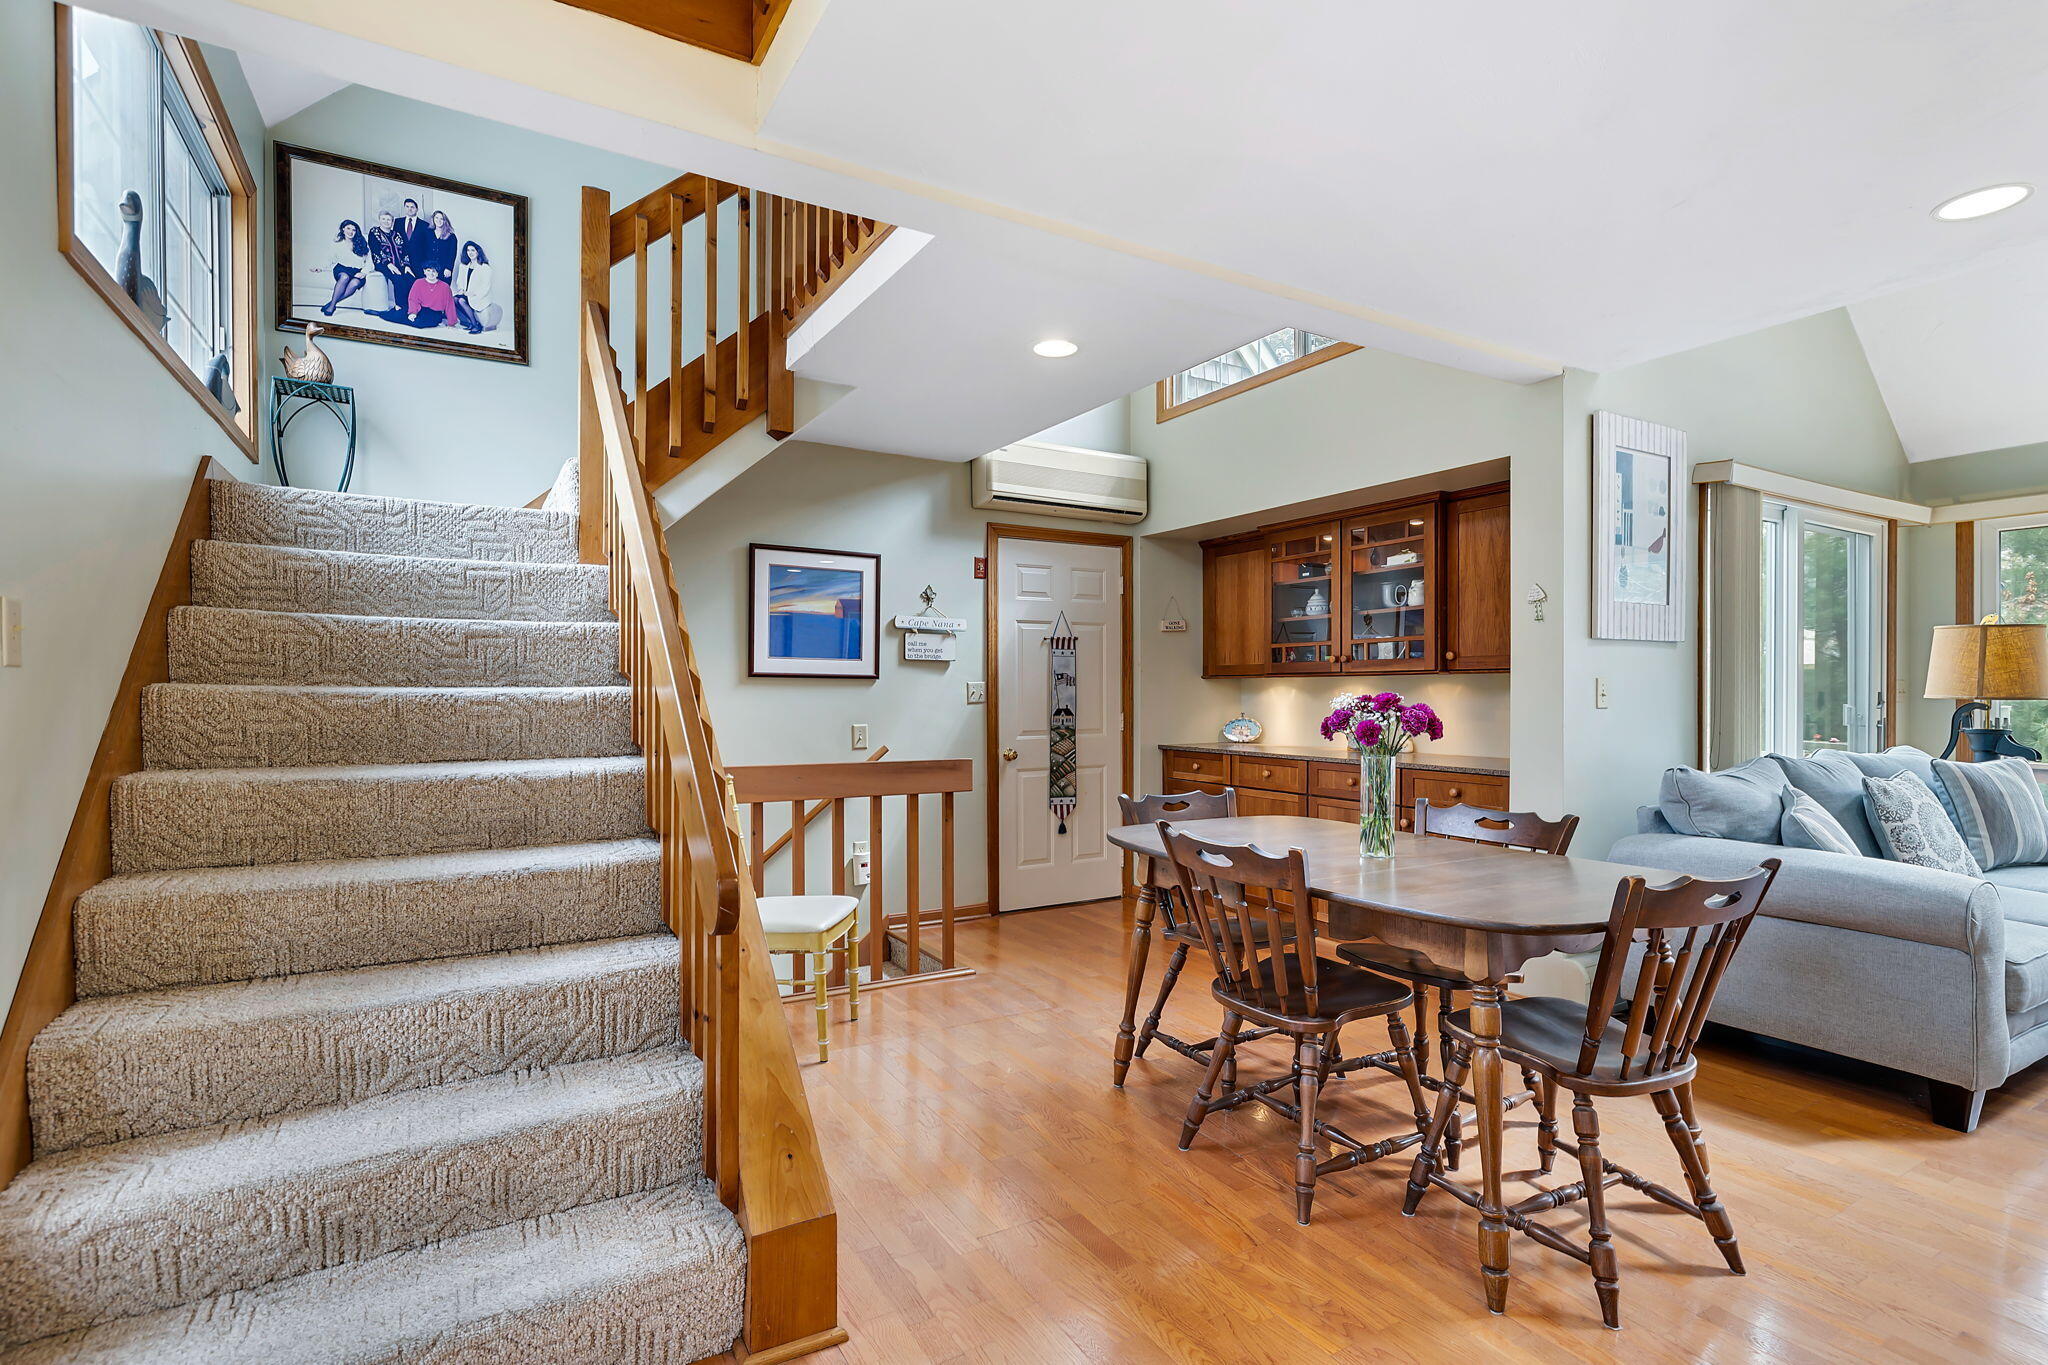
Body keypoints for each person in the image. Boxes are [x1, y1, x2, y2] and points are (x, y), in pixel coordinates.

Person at [314, 219, 368, 315]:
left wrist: (364, 272)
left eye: (353, 230)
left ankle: (332, 303)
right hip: (342, 269)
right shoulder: (337, 244)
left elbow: (369, 261)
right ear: (343, 229)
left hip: (357, 271)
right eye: (348, 228)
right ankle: (331, 307)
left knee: (355, 283)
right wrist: (320, 268)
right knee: (344, 277)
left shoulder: (362, 243)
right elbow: (329, 259)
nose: (350, 232)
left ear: (356, 232)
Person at [381, 265, 459, 329]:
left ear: (438, 273)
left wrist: (451, 323)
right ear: (424, 271)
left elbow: (450, 304)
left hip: (434, 313)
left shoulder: (444, 286)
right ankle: (386, 313)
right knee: (398, 315)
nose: (431, 273)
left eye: (434, 271)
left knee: (418, 323)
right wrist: (413, 313)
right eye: (428, 270)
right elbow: (413, 299)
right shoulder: (418, 282)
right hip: (420, 309)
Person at [366, 210, 411, 315]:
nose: (386, 222)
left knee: (410, 279)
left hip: (399, 264)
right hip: (382, 263)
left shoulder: (397, 234)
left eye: (389, 220)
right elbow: (375, 249)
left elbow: (405, 251)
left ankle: (409, 307)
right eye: (384, 219)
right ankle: (399, 308)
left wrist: (406, 266)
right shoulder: (374, 232)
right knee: (398, 279)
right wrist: (388, 264)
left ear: (392, 221)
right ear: (380, 220)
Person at [452, 241, 493, 334]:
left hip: (478, 295)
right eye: (468, 250)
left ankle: (475, 325)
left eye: (473, 250)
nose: (470, 253)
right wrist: (462, 289)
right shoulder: (463, 265)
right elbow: (460, 281)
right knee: (454, 299)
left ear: (478, 252)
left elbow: (486, 286)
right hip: (465, 293)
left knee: (461, 301)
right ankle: (470, 322)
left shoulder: (485, 267)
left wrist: (473, 293)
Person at [422, 210, 459, 284]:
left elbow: (452, 254)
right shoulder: (427, 233)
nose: (439, 220)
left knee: (442, 292)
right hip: (429, 270)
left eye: (441, 219)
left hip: (444, 270)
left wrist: (449, 268)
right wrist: (425, 267)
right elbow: (423, 250)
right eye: (436, 218)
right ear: (433, 219)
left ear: (445, 221)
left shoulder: (451, 236)